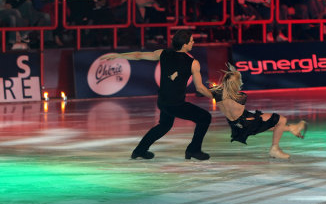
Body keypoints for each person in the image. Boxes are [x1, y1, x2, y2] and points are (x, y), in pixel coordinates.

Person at [101, 30, 213, 160]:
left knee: (164, 125)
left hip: (163, 101)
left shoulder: (162, 53)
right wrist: (217, 96)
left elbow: (138, 55)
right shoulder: (193, 63)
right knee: (205, 118)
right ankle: (193, 150)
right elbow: (200, 88)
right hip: (176, 104)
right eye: (191, 40)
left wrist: (119, 55)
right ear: (184, 45)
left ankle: (140, 151)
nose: (193, 42)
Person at [211, 64, 307, 159]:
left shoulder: (217, 94)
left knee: (270, 124)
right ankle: (275, 149)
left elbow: (206, 91)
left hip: (236, 125)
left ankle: (292, 128)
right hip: (245, 123)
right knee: (281, 120)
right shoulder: (241, 97)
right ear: (237, 83)